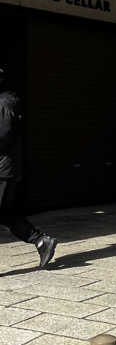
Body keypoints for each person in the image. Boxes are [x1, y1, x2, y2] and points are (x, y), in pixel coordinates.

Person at [0, 66, 57, 269]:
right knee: (5, 214)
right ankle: (42, 241)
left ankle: (41, 240)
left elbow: (3, 136)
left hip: (3, 170)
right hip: (5, 168)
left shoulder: (5, 102)